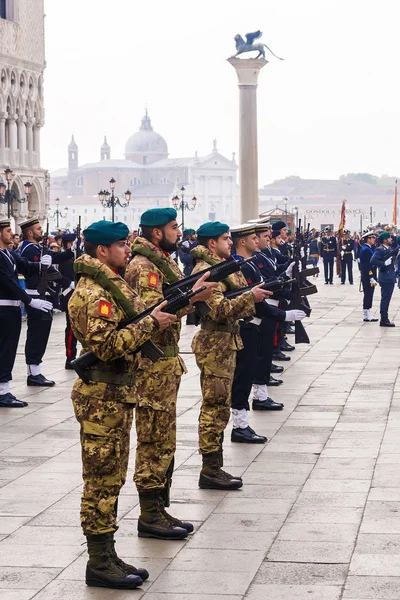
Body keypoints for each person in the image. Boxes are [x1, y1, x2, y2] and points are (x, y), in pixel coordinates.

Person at [68, 220, 177, 590]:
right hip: (101, 399)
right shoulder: (93, 294)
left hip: (114, 397)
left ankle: (108, 553)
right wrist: (151, 325)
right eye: (120, 245)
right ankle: (98, 561)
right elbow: (108, 346)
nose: (127, 249)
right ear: (101, 251)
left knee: (112, 478)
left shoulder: (110, 286)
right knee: (100, 482)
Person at [125, 208, 214, 540]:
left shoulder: (163, 262)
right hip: (151, 368)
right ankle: (149, 514)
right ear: (157, 233)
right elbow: (153, 315)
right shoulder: (144, 267)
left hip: (165, 366)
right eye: (174, 227)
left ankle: (159, 507)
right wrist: (192, 298)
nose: (180, 231)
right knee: (153, 440)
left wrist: (191, 296)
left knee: (165, 439)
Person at [190, 222, 271, 477]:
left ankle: (215, 466)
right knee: (214, 408)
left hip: (225, 342)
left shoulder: (223, 267)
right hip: (214, 344)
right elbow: (217, 309)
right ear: (212, 243)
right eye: (226, 239)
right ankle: (210, 469)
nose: (230, 242)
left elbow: (234, 297)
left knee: (220, 407)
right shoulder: (207, 271)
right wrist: (251, 298)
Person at [229, 223, 305, 443]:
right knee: (243, 375)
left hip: (255, 321)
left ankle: (243, 422)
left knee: (251, 366)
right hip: (248, 323)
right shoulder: (241, 266)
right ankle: (239, 425)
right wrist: (283, 316)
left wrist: (285, 277)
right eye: (254, 237)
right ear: (242, 241)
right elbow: (255, 299)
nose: (260, 240)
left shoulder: (250, 263)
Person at [0, 218, 52, 407]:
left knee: (9, 350)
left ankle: (4, 389)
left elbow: (25, 266)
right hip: (3, 308)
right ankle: (2, 392)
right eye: (7, 232)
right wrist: (30, 300)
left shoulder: (9, 253)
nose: (12, 236)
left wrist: (40, 265)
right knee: (4, 350)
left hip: (12, 308)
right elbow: (8, 282)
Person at [19, 217, 74, 386]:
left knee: (42, 334)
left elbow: (55, 259)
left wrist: (70, 250)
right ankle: (33, 373)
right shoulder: (29, 250)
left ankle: (36, 371)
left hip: (44, 295)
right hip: (36, 295)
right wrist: (66, 282)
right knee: (37, 334)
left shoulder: (37, 248)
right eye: (38, 229)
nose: (41, 231)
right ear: (29, 232)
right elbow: (41, 268)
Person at [58, 232, 78, 369]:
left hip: (77, 294)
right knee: (71, 329)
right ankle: (70, 357)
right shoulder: (64, 258)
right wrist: (70, 283)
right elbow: (59, 276)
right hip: (69, 294)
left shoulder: (76, 257)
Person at [371, 231, 397, 327]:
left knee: (387, 298)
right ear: (385, 240)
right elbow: (373, 260)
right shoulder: (380, 249)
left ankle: (385, 318)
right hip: (385, 277)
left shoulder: (389, 248)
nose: (391, 239)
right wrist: (383, 264)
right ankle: (384, 319)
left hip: (389, 277)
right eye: (389, 238)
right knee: (385, 299)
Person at [359, 230, 378, 322]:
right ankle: (367, 313)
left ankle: (367, 313)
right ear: (368, 239)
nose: (374, 239)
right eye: (372, 238)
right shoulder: (366, 249)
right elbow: (366, 265)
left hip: (369, 275)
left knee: (369, 294)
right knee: (368, 294)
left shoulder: (368, 248)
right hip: (368, 276)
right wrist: (371, 276)